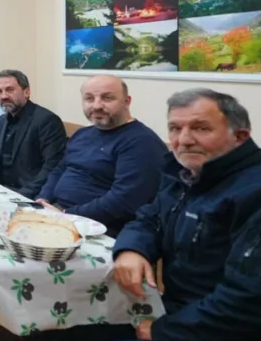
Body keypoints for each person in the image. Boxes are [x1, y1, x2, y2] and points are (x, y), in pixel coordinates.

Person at [108, 89, 261, 341]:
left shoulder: (256, 192)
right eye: (175, 128)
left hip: (227, 338)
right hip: (175, 311)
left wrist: (163, 330)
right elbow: (149, 218)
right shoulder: (186, 173)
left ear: (240, 137)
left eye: (201, 128)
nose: (184, 140)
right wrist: (132, 249)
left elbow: (249, 302)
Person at [36, 75, 166, 236]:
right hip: (60, 216)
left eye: (107, 98)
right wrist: (43, 199)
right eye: (89, 99)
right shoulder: (83, 133)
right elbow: (60, 169)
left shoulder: (141, 142)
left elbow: (124, 201)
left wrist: (66, 214)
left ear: (127, 101)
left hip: (100, 229)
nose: (97, 105)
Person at [0, 69, 65, 199]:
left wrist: (21, 197)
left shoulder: (46, 120)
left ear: (27, 92)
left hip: (27, 192)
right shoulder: (3, 120)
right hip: (0, 189)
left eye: (10, 90)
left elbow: (52, 166)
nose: (3, 96)